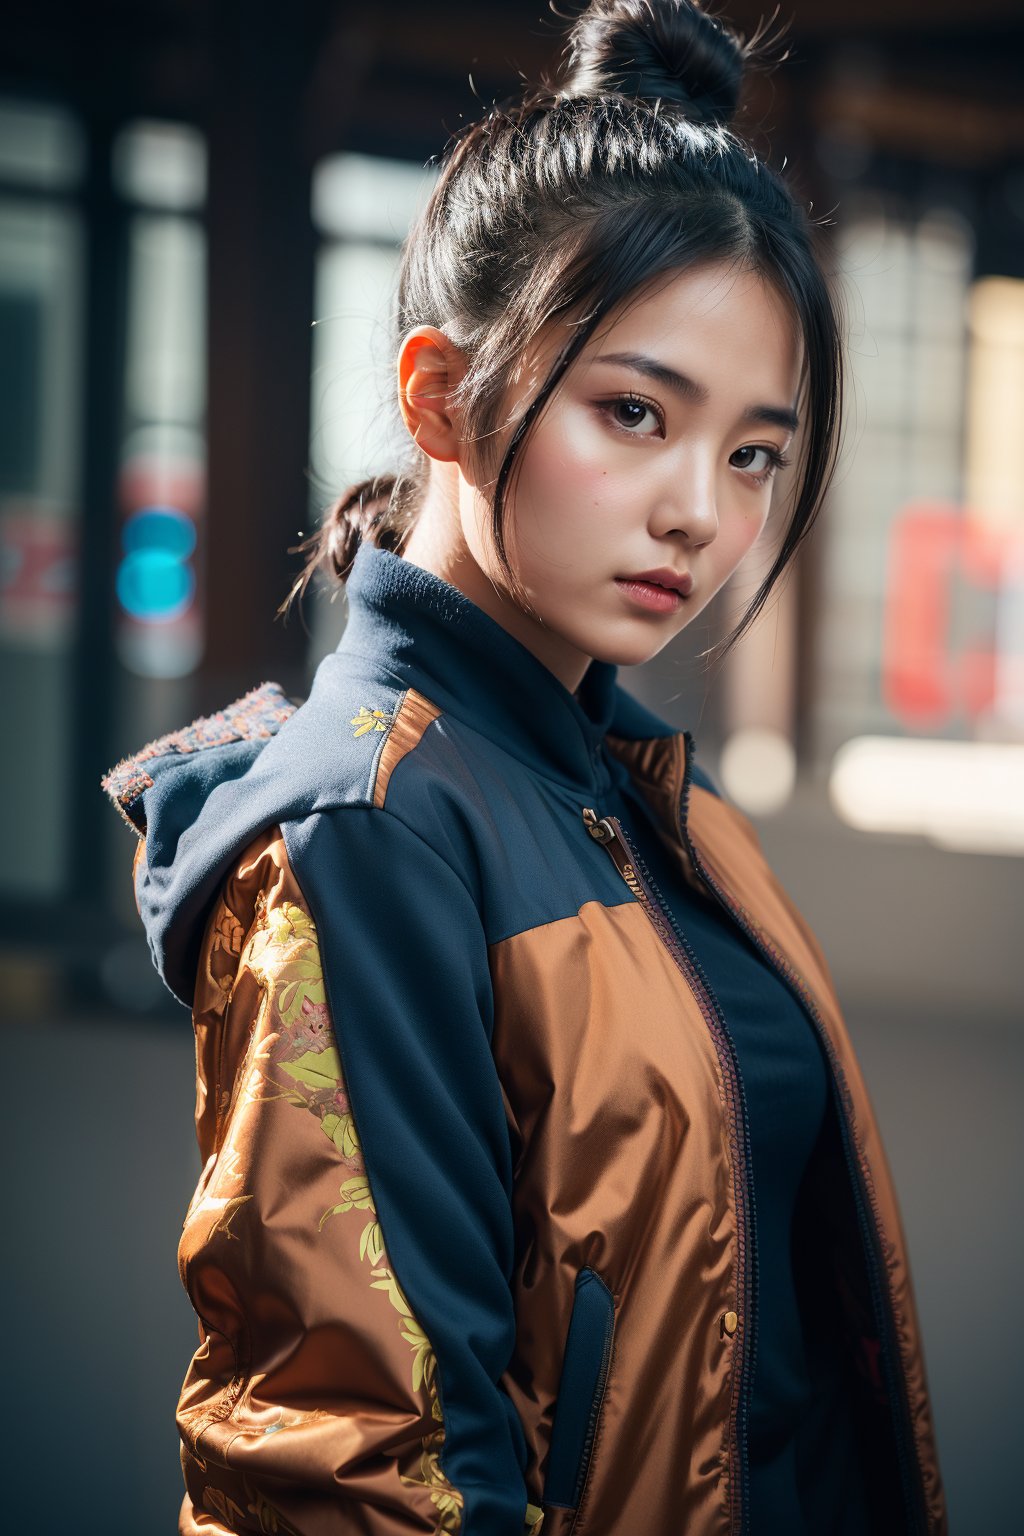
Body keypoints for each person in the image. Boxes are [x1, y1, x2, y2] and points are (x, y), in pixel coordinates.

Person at [101, 2, 947, 1533]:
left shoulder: (637, 789)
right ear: (441, 395)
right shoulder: (371, 833)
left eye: (755, 452)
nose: (702, 511)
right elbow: (348, 1468)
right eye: (636, 413)